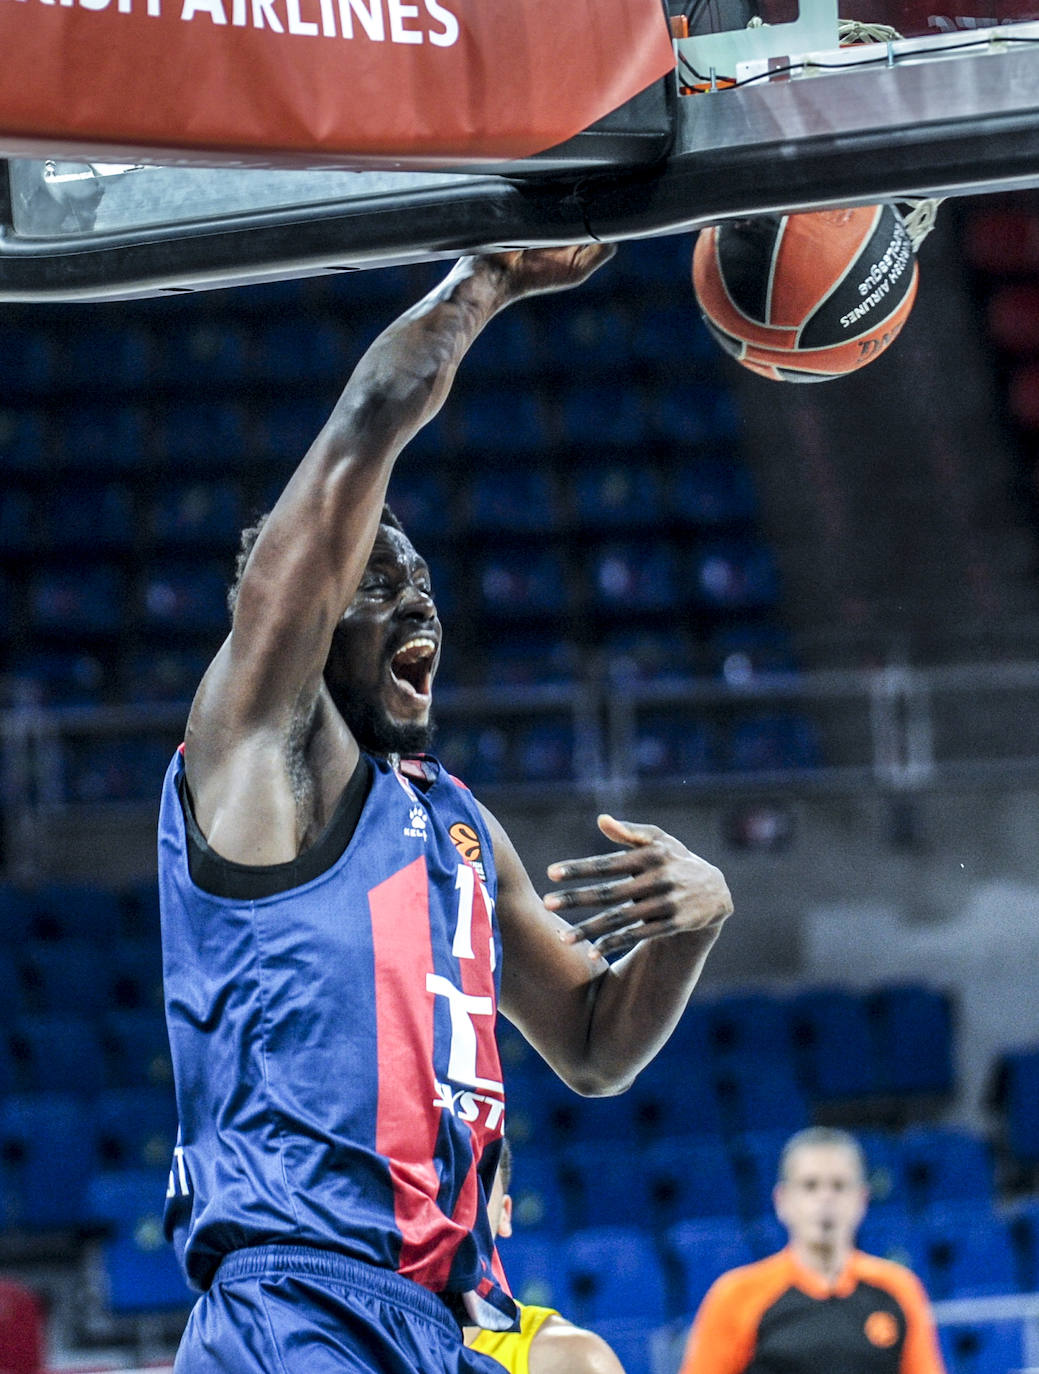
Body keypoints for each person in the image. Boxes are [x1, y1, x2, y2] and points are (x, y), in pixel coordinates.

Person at [159, 245, 735, 1374]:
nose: (417, 599)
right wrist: (492, 278)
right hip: (299, 1300)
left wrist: (695, 925)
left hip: (442, 1314)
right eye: (380, 585)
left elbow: (590, 1045)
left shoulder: (457, 824)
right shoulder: (254, 761)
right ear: (302, 623)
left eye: (424, 586)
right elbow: (367, 424)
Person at [678, 1126, 946, 1374]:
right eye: (810, 1185)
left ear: (862, 1199)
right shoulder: (735, 1295)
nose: (825, 1198)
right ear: (782, 1200)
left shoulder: (899, 1288)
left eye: (839, 1185)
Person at [465, 1138, 626, 1374]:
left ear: (504, 1214)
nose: (455, 1203)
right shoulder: (390, 1351)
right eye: (436, 1177)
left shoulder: (570, 1361)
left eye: (475, 1182)